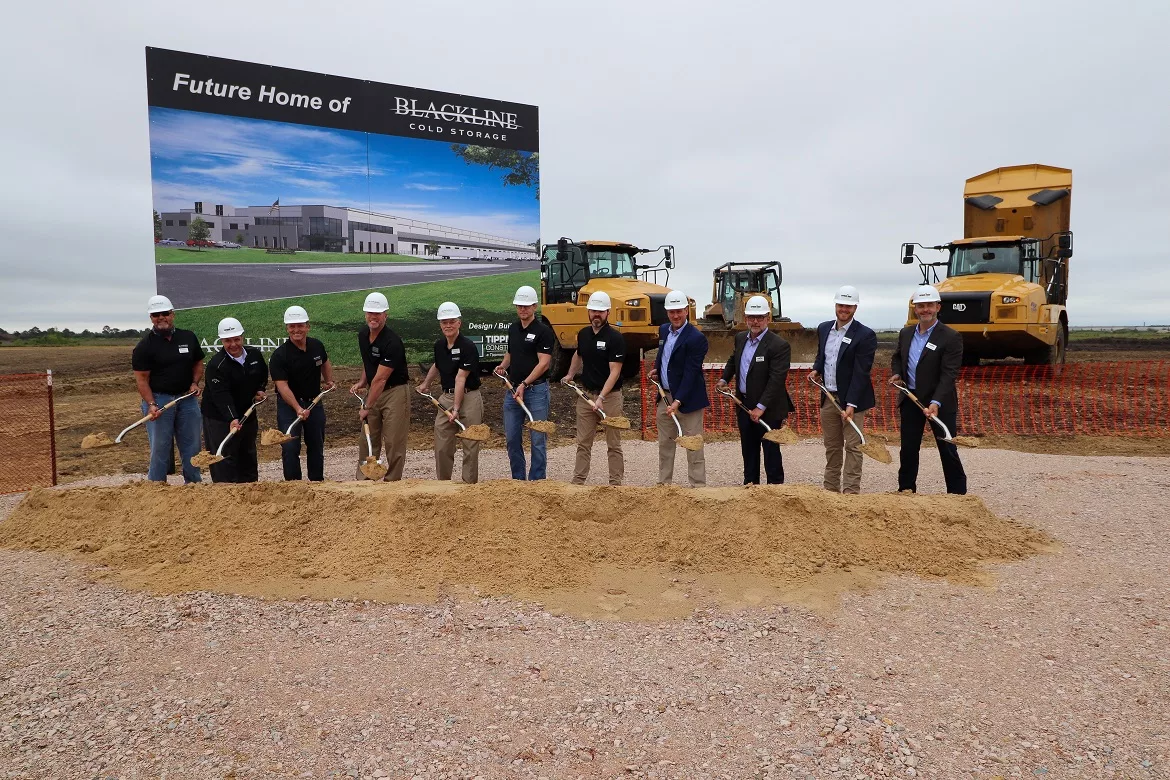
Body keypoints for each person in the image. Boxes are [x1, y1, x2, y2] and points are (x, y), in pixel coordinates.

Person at [890, 284, 968, 494]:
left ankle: (958, 494)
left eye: (929, 305)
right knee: (908, 449)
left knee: (947, 447)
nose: (925, 309)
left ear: (938, 307)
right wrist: (897, 373)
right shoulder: (906, 333)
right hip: (911, 400)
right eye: (921, 305)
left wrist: (936, 402)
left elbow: (949, 374)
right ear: (915, 308)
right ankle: (906, 489)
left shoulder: (950, 337)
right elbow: (898, 357)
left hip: (940, 403)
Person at [809, 285, 877, 494]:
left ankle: (850, 492)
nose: (844, 309)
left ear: (855, 307)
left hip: (852, 402)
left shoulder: (865, 335)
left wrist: (851, 404)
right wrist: (816, 369)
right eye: (841, 305)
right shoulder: (823, 328)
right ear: (835, 305)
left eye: (848, 306)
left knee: (854, 447)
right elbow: (823, 356)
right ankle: (830, 491)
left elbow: (861, 373)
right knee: (832, 446)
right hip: (829, 397)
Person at [717, 295, 792, 485]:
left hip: (769, 409)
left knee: (771, 453)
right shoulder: (741, 338)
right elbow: (734, 360)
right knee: (749, 452)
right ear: (745, 318)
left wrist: (761, 407)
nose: (755, 321)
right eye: (751, 317)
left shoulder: (779, 345)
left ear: (768, 317)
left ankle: (775, 493)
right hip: (744, 405)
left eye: (759, 317)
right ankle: (750, 490)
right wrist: (724, 378)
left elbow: (776, 380)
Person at [131, 294, 205, 483]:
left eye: (164, 313)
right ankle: (157, 488)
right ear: (151, 318)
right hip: (160, 400)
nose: (161, 317)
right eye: (156, 315)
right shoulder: (144, 346)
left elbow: (198, 363)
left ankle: (194, 484)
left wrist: (194, 383)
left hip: (186, 399)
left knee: (192, 446)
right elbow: (142, 379)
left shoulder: (188, 337)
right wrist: (151, 404)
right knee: (160, 448)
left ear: (172, 314)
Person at [647, 289, 709, 487]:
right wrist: (656, 369)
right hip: (665, 397)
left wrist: (678, 401)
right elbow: (663, 353)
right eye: (672, 311)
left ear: (686, 311)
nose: (675, 315)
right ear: (667, 312)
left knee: (693, 446)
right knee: (665, 445)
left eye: (679, 311)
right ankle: (664, 486)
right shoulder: (664, 329)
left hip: (688, 401)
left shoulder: (696, 339)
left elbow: (691, 373)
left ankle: (698, 488)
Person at [416, 302, 484, 483]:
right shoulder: (439, 346)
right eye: (444, 322)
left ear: (459, 323)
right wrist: (425, 384)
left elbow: (460, 378)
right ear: (440, 325)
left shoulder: (468, 346)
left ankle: (468, 485)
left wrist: (455, 408)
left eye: (451, 321)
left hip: (469, 398)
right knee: (442, 444)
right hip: (446, 397)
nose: (448, 325)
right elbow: (437, 365)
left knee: (470, 443)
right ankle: (444, 484)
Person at [563, 291, 625, 486]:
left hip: (610, 398)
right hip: (586, 395)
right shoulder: (583, 334)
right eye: (593, 311)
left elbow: (614, 372)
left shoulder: (615, 338)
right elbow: (578, 355)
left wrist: (602, 398)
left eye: (600, 311)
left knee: (613, 444)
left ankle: (615, 484)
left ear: (607, 312)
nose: (596, 315)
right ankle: (578, 482)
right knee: (583, 443)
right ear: (588, 312)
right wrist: (570, 375)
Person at [269, 305, 335, 481]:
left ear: (307, 326)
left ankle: (316, 483)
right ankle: (294, 487)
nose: (296, 330)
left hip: (314, 403)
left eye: (300, 325)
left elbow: (325, 362)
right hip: (289, 407)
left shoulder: (316, 346)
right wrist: (298, 408)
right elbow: (282, 387)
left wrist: (328, 381)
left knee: (316, 445)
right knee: (290, 448)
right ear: (287, 328)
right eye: (292, 326)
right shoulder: (279, 356)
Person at [350, 291, 410, 481]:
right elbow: (370, 365)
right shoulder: (362, 335)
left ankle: (392, 482)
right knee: (367, 438)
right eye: (369, 313)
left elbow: (381, 379)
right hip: (373, 390)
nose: (373, 317)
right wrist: (362, 382)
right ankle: (365, 480)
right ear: (365, 314)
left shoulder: (392, 342)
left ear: (386, 315)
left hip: (395, 392)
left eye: (377, 313)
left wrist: (367, 407)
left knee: (393, 441)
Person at [497, 285, 554, 480]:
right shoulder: (513, 329)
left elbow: (544, 363)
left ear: (535, 306)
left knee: (538, 438)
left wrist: (524, 383)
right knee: (512, 438)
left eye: (527, 306)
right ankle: (518, 480)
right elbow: (510, 353)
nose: (523, 310)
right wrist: (503, 366)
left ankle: (537, 480)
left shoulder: (543, 331)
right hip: (513, 391)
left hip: (536, 391)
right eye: (519, 306)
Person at [202, 317, 268, 483]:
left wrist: (260, 389)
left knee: (248, 454)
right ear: (221, 341)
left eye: (236, 339)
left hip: (247, 411)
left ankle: (251, 492)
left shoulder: (254, 355)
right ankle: (226, 496)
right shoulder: (216, 365)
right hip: (219, 417)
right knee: (224, 457)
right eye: (227, 340)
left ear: (242, 337)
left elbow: (261, 375)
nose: (233, 344)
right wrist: (232, 418)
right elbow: (221, 396)